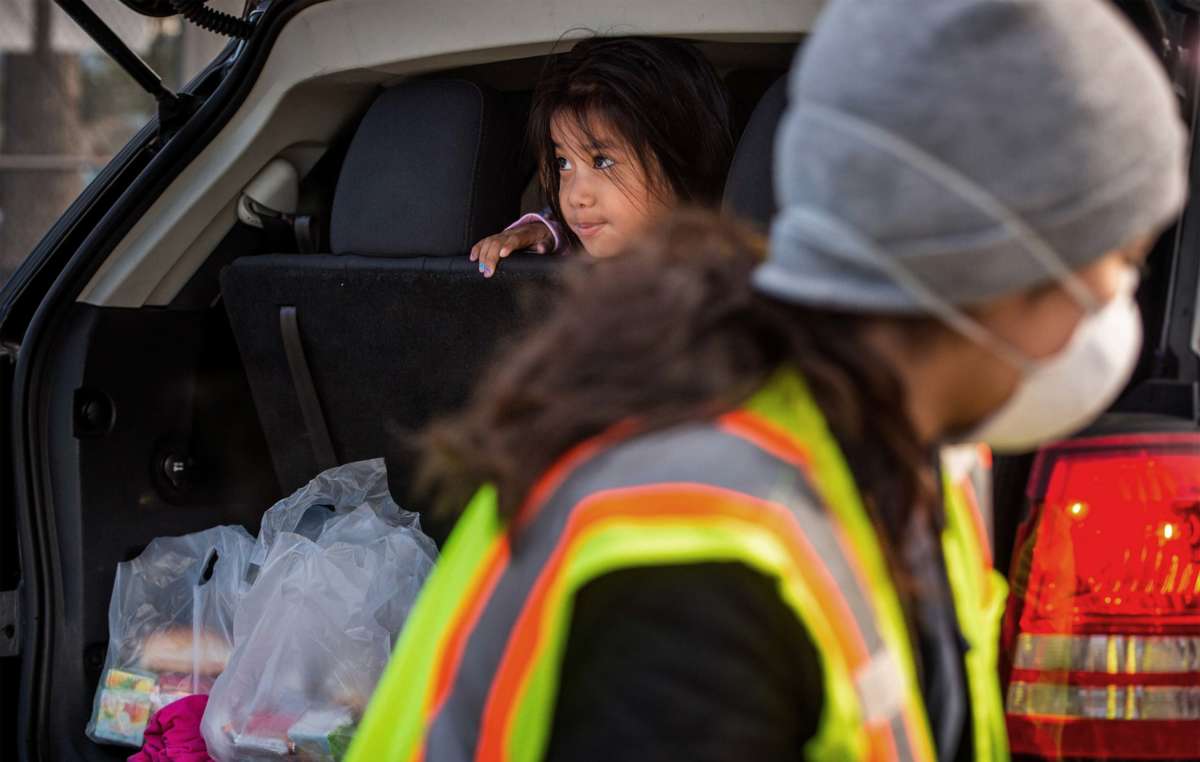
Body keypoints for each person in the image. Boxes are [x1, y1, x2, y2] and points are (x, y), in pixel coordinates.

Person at [348, 0, 1187, 760]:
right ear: (999, 264)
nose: (1121, 309)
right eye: (1118, 265)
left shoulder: (928, 453)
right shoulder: (693, 557)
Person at [468, 36, 734, 276]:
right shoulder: (561, 269)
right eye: (563, 163)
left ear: (684, 158)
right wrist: (548, 232)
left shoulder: (724, 284)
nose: (575, 197)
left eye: (602, 161)